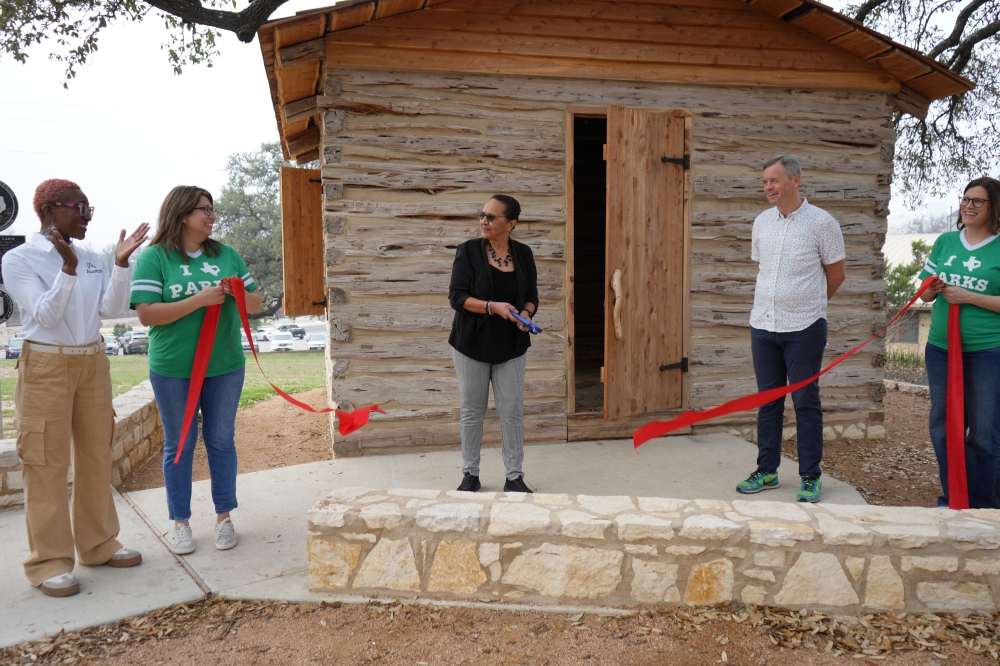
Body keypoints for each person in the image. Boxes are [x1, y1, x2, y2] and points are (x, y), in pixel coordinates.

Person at [3, 179, 149, 597]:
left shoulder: (89, 258)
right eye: (78, 208)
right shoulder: (19, 260)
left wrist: (120, 266)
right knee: (45, 461)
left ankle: (99, 544)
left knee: (95, 454)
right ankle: (48, 561)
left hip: (92, 362)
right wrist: (65, 271)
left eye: (90, 210)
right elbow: (46, 317)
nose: (86, 217)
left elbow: (109, 309)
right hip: (46, 364)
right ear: (49, 210)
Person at [130, 186, 261, 554]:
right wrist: (200, 299)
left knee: (221, 441)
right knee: (180, 444)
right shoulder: (154, 258)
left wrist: (234, 292)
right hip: (173, 370)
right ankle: (181, 523)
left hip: (225, 367)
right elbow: (147, 314)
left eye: (212, 209)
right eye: (204, 209)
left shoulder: (227, 254)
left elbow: (255, 303)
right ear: (182, 213)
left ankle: (224, 518)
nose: (212, 216)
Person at [737, 155, 846, 503]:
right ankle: (767, 470)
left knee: (805, 402)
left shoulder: (822, 223)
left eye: (774, 180)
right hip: (763, 326)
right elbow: (765, 270)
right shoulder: (761, 223)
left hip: (804, 329)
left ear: (796, 181)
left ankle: (810, 476)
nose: (768, 187)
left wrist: (810, 306)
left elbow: (837, 274)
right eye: (765, 182)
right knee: (768, 402)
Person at [918, 177, 1000, 509]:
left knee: (984, 430)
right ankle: (953, 497)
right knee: (944, 426)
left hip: (987, 352)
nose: (968, 205)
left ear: (994, 207)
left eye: (978, 201)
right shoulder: (946, 242)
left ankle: (982, 504)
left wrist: (970, 297)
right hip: (940, 349)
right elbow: (923, 294)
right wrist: (933, 289)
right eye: (965, 199)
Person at [448, 194, 538, 493]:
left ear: (511, 223)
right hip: (471, 345)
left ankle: (514, 477)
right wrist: (493, 307)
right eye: (482, 214)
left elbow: (532, 296)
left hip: (511, 346)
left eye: (491, 217)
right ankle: (470, 475)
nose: (483, 221)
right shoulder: (468, 251)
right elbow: (457, 298)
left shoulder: (524, 254)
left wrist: (525, 313)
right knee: (472, 411)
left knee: (511, 412)